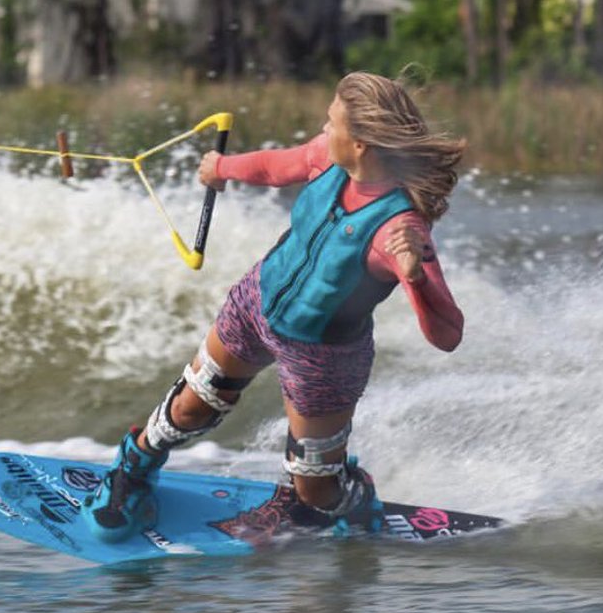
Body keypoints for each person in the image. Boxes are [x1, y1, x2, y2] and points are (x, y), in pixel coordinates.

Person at [81, 72, 466, 541]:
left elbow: (448, 336)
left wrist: (416, 274)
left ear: (361, 143)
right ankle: (132, 471)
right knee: (192, 406)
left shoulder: (399, 230)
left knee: (315, 494)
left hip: (323, 355)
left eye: (331, 123)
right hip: (256, 303)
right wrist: (220, 168)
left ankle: (349, 496)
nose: (324, 131)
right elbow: (274, 167)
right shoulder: (327, 159)